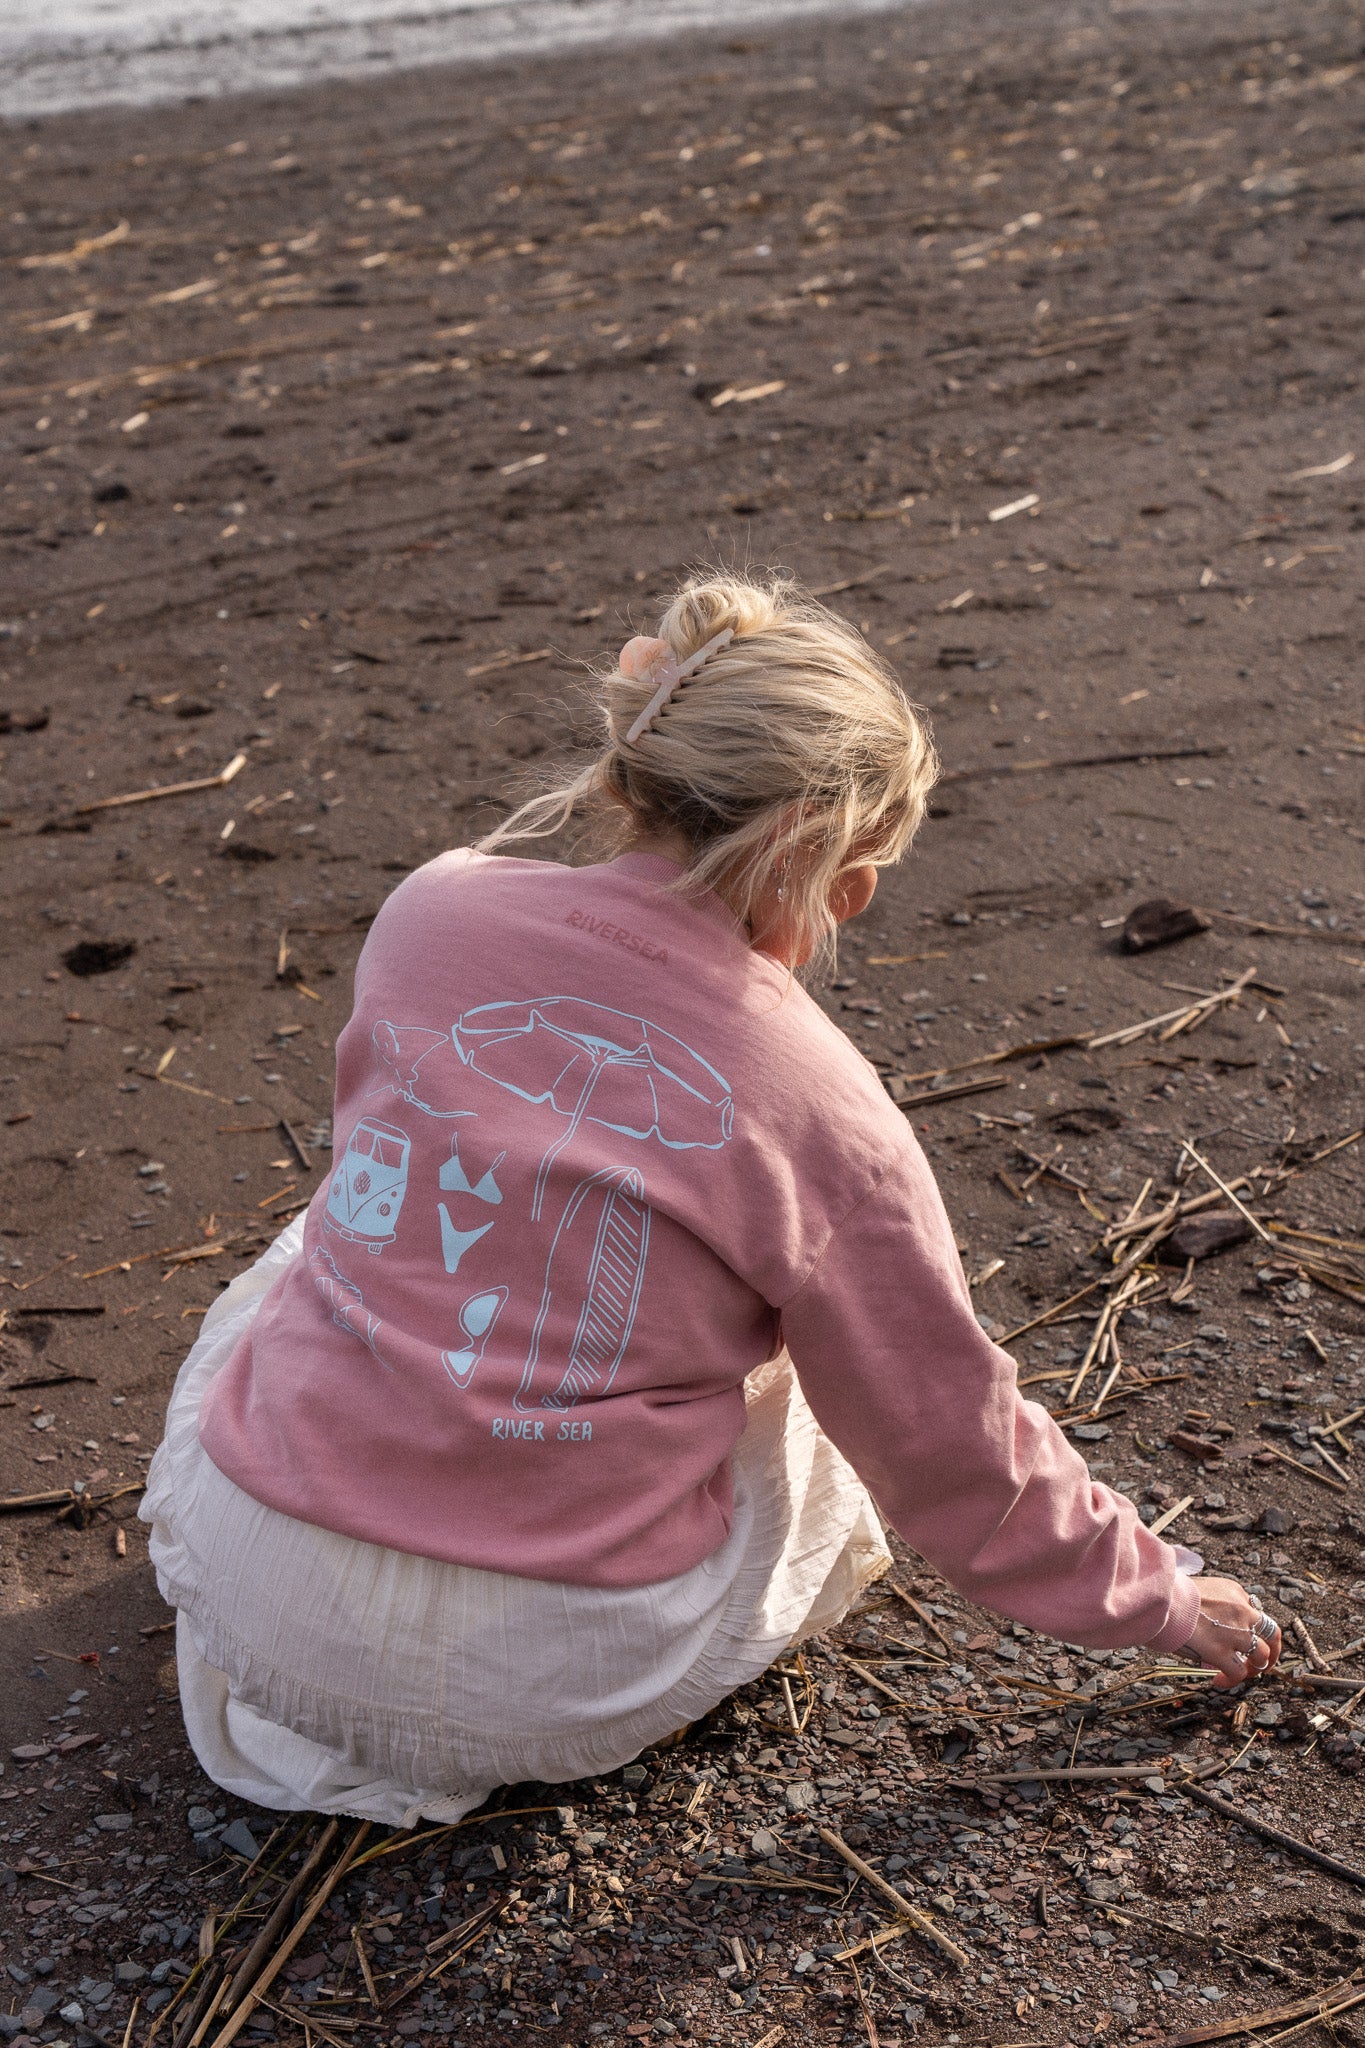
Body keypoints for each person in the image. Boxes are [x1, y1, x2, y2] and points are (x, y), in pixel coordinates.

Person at [141, 570, 1279, 1825]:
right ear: (813, 852)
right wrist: (1155, 1590)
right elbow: (954, 1431)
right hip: (541, 1674)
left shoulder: (432, 907)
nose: (860, 899)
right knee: (810, 1377)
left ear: (636, 775)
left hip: (253, 1589)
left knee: (316, 1236)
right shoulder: (820, 1105)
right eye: (863, 865)